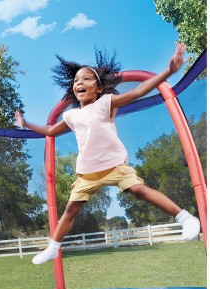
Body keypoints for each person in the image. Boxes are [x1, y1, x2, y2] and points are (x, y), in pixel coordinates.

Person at [14, 43, 200, 265]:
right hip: (87, 173)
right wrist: (26, 123)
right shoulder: (72, 115)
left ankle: (185, 218)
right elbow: (51, 131)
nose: (79, 83)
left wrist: (169, 71)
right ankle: (54, 247)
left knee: (139, 190)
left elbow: (138, 91)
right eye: (76, 81)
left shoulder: (105, 103)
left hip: (115, 166)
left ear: (99, 88)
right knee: (71, 211)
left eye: (86, 79)